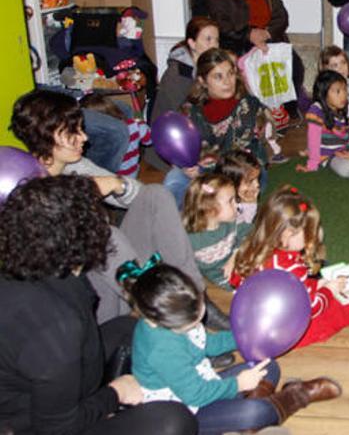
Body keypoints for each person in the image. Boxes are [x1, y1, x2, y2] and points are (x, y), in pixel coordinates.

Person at [8, 90, 226, 328]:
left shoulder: (77, 166)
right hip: (88, 300)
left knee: (156, 195)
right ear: (47, 135)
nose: (84, 138)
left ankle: (196, 301)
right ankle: (177, 323)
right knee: (105, 234)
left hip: (122, 279)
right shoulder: (25, 186)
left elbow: (138, 196)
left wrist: (117, 185)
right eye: (73, 132)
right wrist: (77, 198)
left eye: (81, 128)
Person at [0, 175, 197, 435]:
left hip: (62, 374)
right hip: (36, 423)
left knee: (129, 327)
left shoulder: (33, 265)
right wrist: (115, 394)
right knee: (174, 422)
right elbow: (56, 427)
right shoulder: (55, 326)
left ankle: (191, 378)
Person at [121, 262, 341, 435]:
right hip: (186, 411)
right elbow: (195, 394)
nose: (202, 317)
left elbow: (205, 344)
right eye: (194, 318)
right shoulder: (162, 350)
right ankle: (295, 395)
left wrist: (244, 336)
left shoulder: (172, 321)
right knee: (258, 411)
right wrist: (238, 383)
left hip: (202, 383)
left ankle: (247, 430)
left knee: (269, 366)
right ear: (167, 322)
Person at [231, 186, 349, 347]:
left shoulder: (256, 249)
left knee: (344, 286)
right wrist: (327, 291)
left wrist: (319, 284)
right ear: (287, 234)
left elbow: (237, 281)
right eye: (308, 233)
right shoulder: (288, 267)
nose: (313, 237)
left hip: (269, 326)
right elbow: (309, 308)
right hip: (299, 330)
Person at [206, 0, 306, 118]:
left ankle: (288, 111)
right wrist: (249, 34)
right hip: (239, 42)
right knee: (251, 73)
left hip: (270, 37)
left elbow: (281, 14)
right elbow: (223, 26)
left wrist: (267, 33)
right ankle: (255, 115)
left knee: (295, 66)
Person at [164, 48, 269, 208]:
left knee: (242, 183)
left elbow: (238, 157)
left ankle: (227, 217)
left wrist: (201, 171)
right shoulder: (189, 109)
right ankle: (174, 226)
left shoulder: (248, 106)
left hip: (239, 171)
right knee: (174, 179)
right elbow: (178, 145)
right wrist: (185, 166)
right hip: (201, 170)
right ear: (202, 81)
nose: (227, 82)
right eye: (218, 77)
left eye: (230, 73)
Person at [148, 17, 220, 170]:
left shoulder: (205, 66)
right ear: (192, 43)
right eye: (208, 39)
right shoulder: (179, 74)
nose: (214, 45)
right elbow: (180, 114)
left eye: (216, 40)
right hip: (169, 144)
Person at [183, 173, 252, 290]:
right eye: (231, 201)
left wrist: (234, 257)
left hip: (240, 262)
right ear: (210, 210)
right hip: (220, 283)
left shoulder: (232, 221)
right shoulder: (189, 239)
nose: (237, 204)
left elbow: (250, 232)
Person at [81, 93, 152, 177]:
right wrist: (139, 119)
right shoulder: (135, 125)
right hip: (130, 172)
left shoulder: (89, 133)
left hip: (102, 173)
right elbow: (149, 140)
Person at [215, 149, 263, 224]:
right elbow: (244, 230)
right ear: (232, 183)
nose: (257, 184)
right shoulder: (224, 208)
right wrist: (250, 205)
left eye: (257, 178)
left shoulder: (240, 195)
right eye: (250, 181)